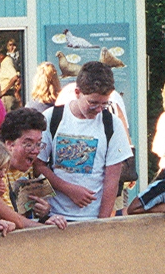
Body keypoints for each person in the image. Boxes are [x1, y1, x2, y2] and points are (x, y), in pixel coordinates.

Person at [34, 62, 133, 221]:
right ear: (77, 92)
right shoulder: (52, 117)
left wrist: (102, 222)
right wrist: (68, 189)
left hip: (92, 217)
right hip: (54, 216)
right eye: (93, 103)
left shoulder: (112, 124)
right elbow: (38, 165)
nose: (99, 109)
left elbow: (112, 180)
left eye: (104, 103)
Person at [0, 109, 68, 229]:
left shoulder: (30, 169)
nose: (35, 151)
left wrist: (44, 212)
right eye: (28, 144)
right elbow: (9, 217)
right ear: (9, 144)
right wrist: (43, 227)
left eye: (39, 144)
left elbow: (25, 212)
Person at [0, 47, 20, 111]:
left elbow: (14, 77)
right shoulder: (4, 63)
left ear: (1, 56)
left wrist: (4, 90)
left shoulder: (7, 62)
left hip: (7, 97)